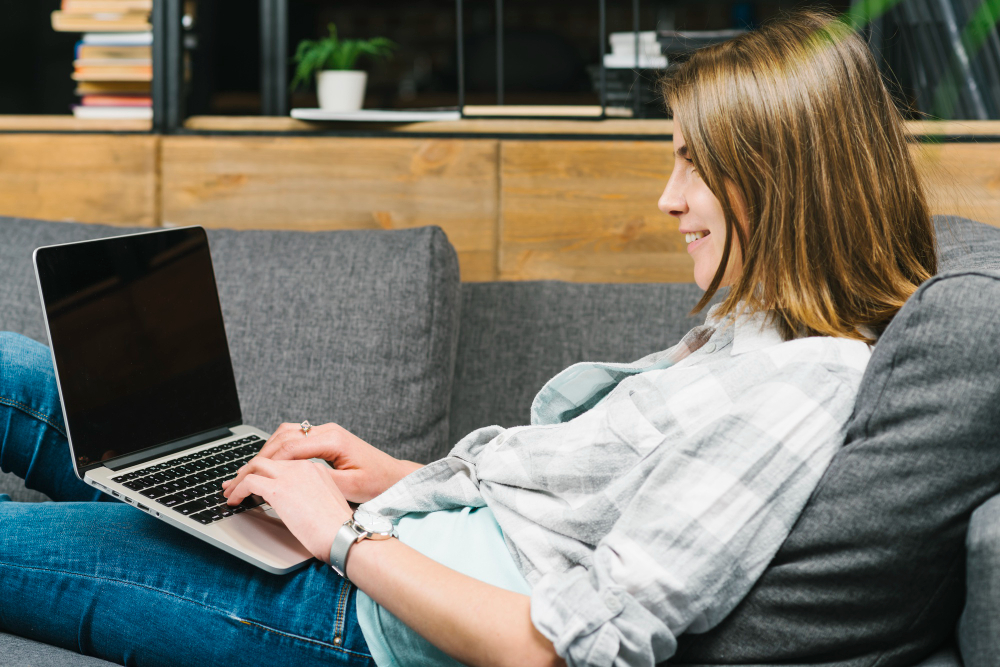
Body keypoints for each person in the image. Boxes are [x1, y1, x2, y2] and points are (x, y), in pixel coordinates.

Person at [0, 9, 936, 667]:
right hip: (373, 553)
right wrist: (388, 475)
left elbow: (563, 646)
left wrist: (340, 533)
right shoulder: (753, 330)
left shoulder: (804, 385)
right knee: (26, 379)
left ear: (782, 183)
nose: (668, 198)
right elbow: (550, 524)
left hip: (349, 617)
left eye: (695, 167)